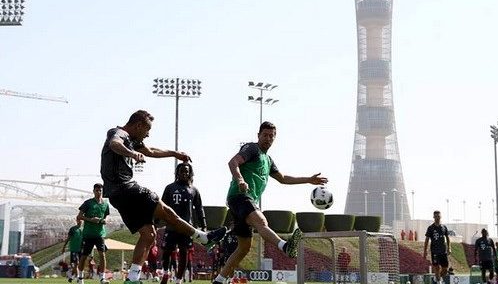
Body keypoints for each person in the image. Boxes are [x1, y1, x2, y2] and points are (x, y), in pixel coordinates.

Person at [100, 110, 226, 284]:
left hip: (117, 195)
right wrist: (132, 154)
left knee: (149, 235)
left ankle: (132, 278)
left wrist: (175, 153)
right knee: (167, 212)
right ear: (139, 125)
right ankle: (203, 238)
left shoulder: (132, 140)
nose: (148, 134)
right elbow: (115, 144)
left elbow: (151, 151)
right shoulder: (118, 133)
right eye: (147, 130)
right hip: (126, 188)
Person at [212, 121, 328, 284]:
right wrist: (240, 180)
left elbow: (283, 178)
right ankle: (285, 247)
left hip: (244, 200)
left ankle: (219, 280)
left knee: (244, 248)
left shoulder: (268, 159)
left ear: (274, 138)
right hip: (240, 196)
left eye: (271, 136)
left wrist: (308, 179)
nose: (268, 138)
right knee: (262, 222)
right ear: (258, 135)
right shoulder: (252, 149)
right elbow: (233, 162)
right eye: (265, 135)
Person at [159, 163, 207, 284]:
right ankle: (165, 273)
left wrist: (204, 225)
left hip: (186, 227)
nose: (184, 174)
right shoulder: (170, 188)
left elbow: (199, 208)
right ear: (177, 173)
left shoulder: (194, 190)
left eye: (187, 171)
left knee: (184, 252)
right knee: (167, 251)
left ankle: (178, 280)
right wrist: (155, 222)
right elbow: (161, 206)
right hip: (171, 226)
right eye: (182, 171)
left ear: (190, 173)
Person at [76, 183, 110, 284]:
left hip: (100, 234)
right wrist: (91, 219)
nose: (99, 192)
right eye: (97, 190)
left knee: (102, 255)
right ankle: (80, 277)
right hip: (88, 234)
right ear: (93, 191)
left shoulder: (105, 204)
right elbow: (79, 216)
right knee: (84, 256)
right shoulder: (88, 203)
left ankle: (102, 278)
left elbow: (106, 216)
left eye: (100, 191)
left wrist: (104, 220)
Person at [423, 210, 451, 284]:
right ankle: (438, 281)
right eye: (435, 216)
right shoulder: (430, 228)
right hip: (435, 251)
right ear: (433, 217)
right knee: (437, 268)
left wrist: (449, 248)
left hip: (443, 251)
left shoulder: (444, 227)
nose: (437, 218)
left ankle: (436, 278)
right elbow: (426, 240)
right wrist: (425, 251)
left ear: (440, 217)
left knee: (445, 270)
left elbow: (447, 238)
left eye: (438, 216)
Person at [62, 218, 83, 283]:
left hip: (81, 249)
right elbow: (68, 238)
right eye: (79, 220)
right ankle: (77, 276)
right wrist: (64, 247)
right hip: (74, 249)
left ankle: (73, 276)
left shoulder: (84, 229)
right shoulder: (73, 229)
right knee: (75, 263)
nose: (80, 221)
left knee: (79, 264)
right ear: (77, 221)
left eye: (81, 220)